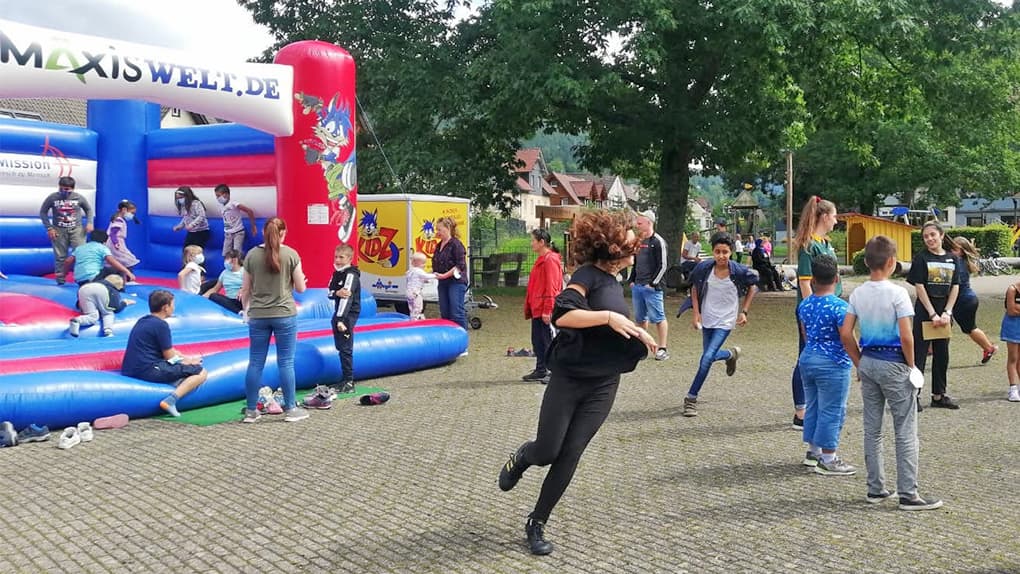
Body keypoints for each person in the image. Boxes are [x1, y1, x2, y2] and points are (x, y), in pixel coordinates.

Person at [497, 210, 657, 556]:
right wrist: (610, 316)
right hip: (570, 379)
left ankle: (536, 521)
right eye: (630, 245)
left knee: (571, 454)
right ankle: (523, 457)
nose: (635, 250)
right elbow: (563, 312)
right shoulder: (588, 275)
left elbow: (613, 326)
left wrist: (637, 331)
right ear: (610, 247)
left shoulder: (615, 281)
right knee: (548, 450)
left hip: (603, 384)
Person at [839, 236, 944, 510]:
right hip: (895, 362)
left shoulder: (858, 293)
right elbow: (907, 336)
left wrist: (858, 362)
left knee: (872, 430)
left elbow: (845, 332)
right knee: (906, 431)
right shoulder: (898, 293)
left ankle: (876, 488)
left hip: (870, 361)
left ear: (865, 262)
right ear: (892, 263)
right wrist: (912, 367)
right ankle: (908, 493)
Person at [681, 232, 758, 417]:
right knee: (708, 356)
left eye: (725, 252)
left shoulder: (738, 271)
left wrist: (744, 311)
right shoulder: (704, 268)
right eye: (717, 252)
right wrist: (696, 313)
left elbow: (753, 286)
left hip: (726, 319)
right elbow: (694, 288)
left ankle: (691, 398)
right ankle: (730, 354)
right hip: (707, 316)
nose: (721, 256)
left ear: (731, 252)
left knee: (706, 358)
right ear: (713, 252)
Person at [240, 217, 309, 423]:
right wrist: (302, 281)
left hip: (258, 315)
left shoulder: (251, 256)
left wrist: (246, 311)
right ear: (283, 233)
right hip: (285, 313)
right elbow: (300, 288)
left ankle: (251, 411)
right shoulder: (291, 254)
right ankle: (291, 409)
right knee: (286, 362)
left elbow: (245, 289)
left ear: (263, 232)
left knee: (255, 363)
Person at [796, 254, 854, 475]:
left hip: (808, 358)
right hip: (833, 362)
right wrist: (857, 359)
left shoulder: (805, 304)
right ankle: (829, 458)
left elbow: (805, 333)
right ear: (837, 278)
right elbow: (846, 336)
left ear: (812, 280)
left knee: (814, 405)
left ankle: (813, 452)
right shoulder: (840, 307)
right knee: (833, 409)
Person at [789, 196, 840, 430]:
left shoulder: (826, 243)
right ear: (824, 216)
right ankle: (800, 411)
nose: (836, 221)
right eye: (835, 215)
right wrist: (812, 314)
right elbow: (805, 284)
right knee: (805, 358)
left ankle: (815, 405)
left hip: (830, 308)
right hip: (814, 313)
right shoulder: (809, 246)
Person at [121, 290, 208, 417]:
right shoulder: (161, 325)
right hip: (148, 370)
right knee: (201, 372)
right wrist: (189, 363)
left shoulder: (143, 320)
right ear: (165, 307)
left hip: (130, 368)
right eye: (172, 305)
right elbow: (170, 356)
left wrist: (186, 359)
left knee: (186, 365)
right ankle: (171, 400)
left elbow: (168, 350)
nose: (174, 308)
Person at [907, 221, 959, 411]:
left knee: (942, 354)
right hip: (925, 312)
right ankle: (914, 395)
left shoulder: (953, 259)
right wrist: (932, 313)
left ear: (941, 235)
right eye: (926, 236)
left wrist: (947, 312)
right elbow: (919, 286)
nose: (929, 239)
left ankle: (939, 395)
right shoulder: (921, 259)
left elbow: (955, 286)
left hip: (944, 312)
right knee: (919, 355)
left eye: (932, 235)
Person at [522, 228, 563, 383]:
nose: (531, 243)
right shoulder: (542, 259)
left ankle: (553, 371)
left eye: (533, 240)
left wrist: (548, 309)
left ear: (542, 242)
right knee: (537, 341)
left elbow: (552, 287)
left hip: (544, 308)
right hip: (537, 306)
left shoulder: (550, 260)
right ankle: (541, 369)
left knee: (548, 341)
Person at [629, 210, 670, 360]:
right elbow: (635, 263)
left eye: (640, 223)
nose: (637, 226)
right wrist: (632, 280)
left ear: (649, 223)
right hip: (638, 286)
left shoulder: (658, 241)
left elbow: (664, 265)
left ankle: (663, 348)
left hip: (652, 288)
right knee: (640, 319)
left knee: (658, 318)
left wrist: (653, 283)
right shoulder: (639, 241)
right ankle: (642, 348)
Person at [39, 176, 94, 285]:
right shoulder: (53, 197)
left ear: (73, 188)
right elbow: (43, 212)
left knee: (81, 253)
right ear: (59, 187)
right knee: (60, 256)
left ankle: (83, 278)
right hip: (59, 229)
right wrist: (49, 228)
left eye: (68, 189)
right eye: (63, 188)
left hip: (77, 229)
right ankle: (60, 279)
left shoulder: (78, 197)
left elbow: (88, 209)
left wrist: (89, 222)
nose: (65, 191)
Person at [950, 237, 997, 364]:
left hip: (964, 301)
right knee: (967, 328)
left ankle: (989, 347)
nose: (950, 250)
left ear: (961, 251)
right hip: (968, 299)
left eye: (954, 248)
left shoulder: (957, 263)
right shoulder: (962, 261)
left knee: (970, 328)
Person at [328, 243, 361, 395]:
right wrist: (336, 293)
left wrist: (341, 319)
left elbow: (347, 298)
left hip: (347, 315)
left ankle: (349, 380)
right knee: (340, 347)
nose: (338, 260)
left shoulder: (351, 275)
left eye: (341, 257)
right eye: (336, 257)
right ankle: (344, 378)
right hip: (338, 313)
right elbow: (329, 292)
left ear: (349, 258)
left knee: (346, 348)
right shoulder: (336, 274)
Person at [68, 273, 135, 338]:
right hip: (102, 290)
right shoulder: (112, 290)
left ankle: (77, 321)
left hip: (84, 288)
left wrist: (80, 304)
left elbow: (81, 299)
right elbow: (116, 307)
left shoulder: (96, 282)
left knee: (92, 315)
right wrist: (125, 303)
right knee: (108, 313)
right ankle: (108, 331)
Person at [431, 216, 469, 331]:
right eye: (437, 230)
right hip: (443, 282)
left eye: (439, 229)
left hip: (456, 282)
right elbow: (436, 263)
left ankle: (461, 336)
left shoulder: (456, 244)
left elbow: (460, 265)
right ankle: (448, 337)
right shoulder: (439, 245)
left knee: (456, 311)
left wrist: (445, 275)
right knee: (445, 311)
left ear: (447, 229)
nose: (437, 232)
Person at [67, 230, 136, 285]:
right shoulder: (102, 248)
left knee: (104, 268)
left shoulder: (80, 248)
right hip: (94, 278)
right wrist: (127, 272)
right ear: (104, 241)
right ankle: (121, 288)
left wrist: (63, 273)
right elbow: (113, 262)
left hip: (79, 280)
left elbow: (68, 261)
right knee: (119, 269)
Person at [214, 184, 257, 257]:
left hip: (238, 232)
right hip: (228, 233)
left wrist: (253, 226)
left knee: (237, 253)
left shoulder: (233, 204)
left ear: (226, 195)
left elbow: (249, 211)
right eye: (216, 196)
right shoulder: (222, 207)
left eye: (218, 196)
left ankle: (240, 266)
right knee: (225, 254)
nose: (217, 198)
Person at [202, 249, 244, 314]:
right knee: (213, 296)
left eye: (227, 259)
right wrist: (202, 297)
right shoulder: (224, 273)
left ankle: (241, 310)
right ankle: (239, 312)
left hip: (242, 300)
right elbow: (215, 289)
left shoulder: (244, 271)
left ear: (235, 260)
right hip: (230, 301)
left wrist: (243, 289)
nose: (225, 261)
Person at [106, 199, 140, 270]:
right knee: (127, 259)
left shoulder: (117, 219)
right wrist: (116, 243)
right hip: (116, 242)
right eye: (132, 213)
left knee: (117, 260)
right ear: (124, 209)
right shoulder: (119, 220)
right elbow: (113, 233)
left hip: (115, 242)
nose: (132, 216)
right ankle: (128, 276)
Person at [1002, 279, 1020, 402]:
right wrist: (1015, 308)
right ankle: (1013, 388)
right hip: (1012, 326)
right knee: (1013, 358)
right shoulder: (1012, 289)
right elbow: (1011, 311)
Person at [406, 251, 436, 321]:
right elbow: (426, 276)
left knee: (411, 306)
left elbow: (417, 279)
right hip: (415, 292)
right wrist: (435, 275)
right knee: (418, 306)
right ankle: (416, 318)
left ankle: (413, 316)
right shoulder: (418, 271)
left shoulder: (411, 271)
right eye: (423, 263)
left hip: (409, 292)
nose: (424, 265)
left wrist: (425, 280)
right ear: (415, 263)